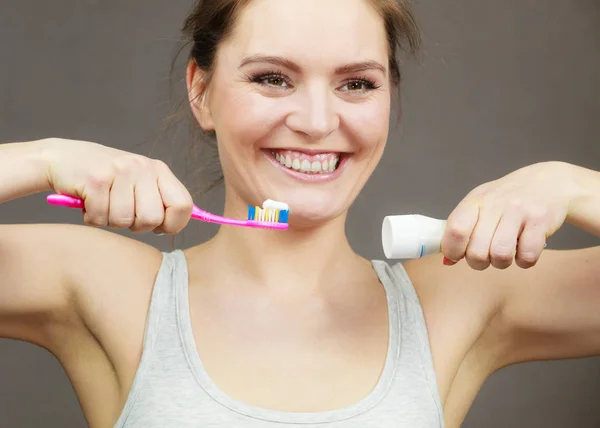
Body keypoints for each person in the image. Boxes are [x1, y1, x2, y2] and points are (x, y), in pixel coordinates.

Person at [1, 0, 599, 427]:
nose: (316, 121)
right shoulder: (106, 287)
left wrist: (568, 186)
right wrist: (47, 157)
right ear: (201, 92)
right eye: (272, 78)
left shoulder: (463, 299)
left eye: (357, 85)